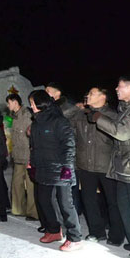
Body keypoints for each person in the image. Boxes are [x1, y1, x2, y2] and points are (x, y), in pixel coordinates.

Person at [88, 76, 130, 258]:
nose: (116, 89)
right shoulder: (128, 109)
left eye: (120, 86)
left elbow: (122, 132)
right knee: (126, 208)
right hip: (126, 167)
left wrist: (99, 118)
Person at [29, 90, 82, 252]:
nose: (30, 105)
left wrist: (67, 168)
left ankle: (75, 237)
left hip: (60, 170)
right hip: (44, 169)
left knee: (65, 204)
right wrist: (33, 163)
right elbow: (35, 147)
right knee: (44, 200)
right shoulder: (36, 122)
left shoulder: (59, 121)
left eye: (32, 102)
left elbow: (69, 146)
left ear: (41, 103)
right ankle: (53, 231)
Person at [72, 87, 125, 245]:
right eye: (87, 93)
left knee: (113, 202)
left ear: (104, 96)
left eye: (92, 93)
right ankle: (97, 232)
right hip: (85, 165)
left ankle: (116, 235)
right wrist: (76, 108)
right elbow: (71, 132)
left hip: (107, 166)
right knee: (89, 201)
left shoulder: (113, 116)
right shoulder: (80, 115)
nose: (88, 96)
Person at [46, 82, 83, 216]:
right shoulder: (49, 108)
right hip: (53, 154)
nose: (46, 93)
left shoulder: (69, 108)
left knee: (69, 187)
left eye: (48, 91)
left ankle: (74, 214)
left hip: (67, 154)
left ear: (57, 93)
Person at [7, 93, 38, 221]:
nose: (8, 105)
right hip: (18, 156)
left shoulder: (27, 115)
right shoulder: (14, 117)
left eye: (9, 102)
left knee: (31, 186)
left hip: (28, 155)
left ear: (15, 102)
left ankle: (33, 212)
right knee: (16, 183)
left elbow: (32, 135)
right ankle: (18, 209)